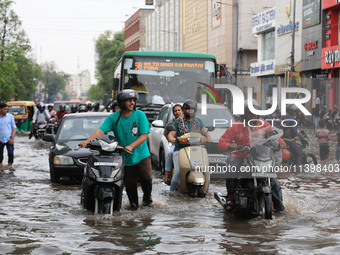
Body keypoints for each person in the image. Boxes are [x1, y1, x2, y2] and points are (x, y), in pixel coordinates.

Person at [80, 89, 152, 210]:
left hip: (141, 154)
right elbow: (100, 131)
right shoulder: (113, 118)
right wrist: (88, 141)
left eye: (133, 100)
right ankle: (134, 205)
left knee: (146, 178)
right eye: (129, 100)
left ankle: (147, 199)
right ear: (122, 102)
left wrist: (131, 146)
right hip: (125, 155)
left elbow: (144, 135)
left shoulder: (140, 115)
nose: (132, 103)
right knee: (129, 183)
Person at [217, 100, 286, 212]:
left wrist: (281, 142)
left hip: (259, 156)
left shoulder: (264, 125)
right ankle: (231, 197)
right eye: (250, 113)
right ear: (244, 114)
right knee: (232, 166)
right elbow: (222, 142)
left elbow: (274, 137)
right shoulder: (235, 127)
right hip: (241, 156)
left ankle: (279, 207)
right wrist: (231, 146)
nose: (253, 115)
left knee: (273, 181)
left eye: (255, 113)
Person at [167, 99, 212, 191]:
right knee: (178, 172)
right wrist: (172, 138)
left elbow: (205, 133)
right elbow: (171, 134)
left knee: (206, 170)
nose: (190, 111)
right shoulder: (179, 121)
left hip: (196, 150)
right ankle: (171, 193)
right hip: (180, 150)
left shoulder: (198, 121)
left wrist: (209, 138)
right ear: (184, 110)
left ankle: (206, 191)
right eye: (188, 109)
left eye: (192, 109)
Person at [163, 104, 183, 185]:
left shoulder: (187, 121)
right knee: (170, 153)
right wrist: (170, 139)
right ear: (173, 113)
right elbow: (166, 133)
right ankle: (167, 176)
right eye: (175, 111)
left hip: (188, 145)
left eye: (179, 110)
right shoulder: (171, 123)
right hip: (176, 145)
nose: (178, 112)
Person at [0, 103, 17, 169]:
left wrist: (12, 138)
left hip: (9, 139)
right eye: (4, 109)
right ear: (0, 109)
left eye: (7, 109)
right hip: (0, 140)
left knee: (11, 154)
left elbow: (14, 128)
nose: (6, 110)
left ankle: (10, 167)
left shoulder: (10, 116)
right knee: (0, 156)